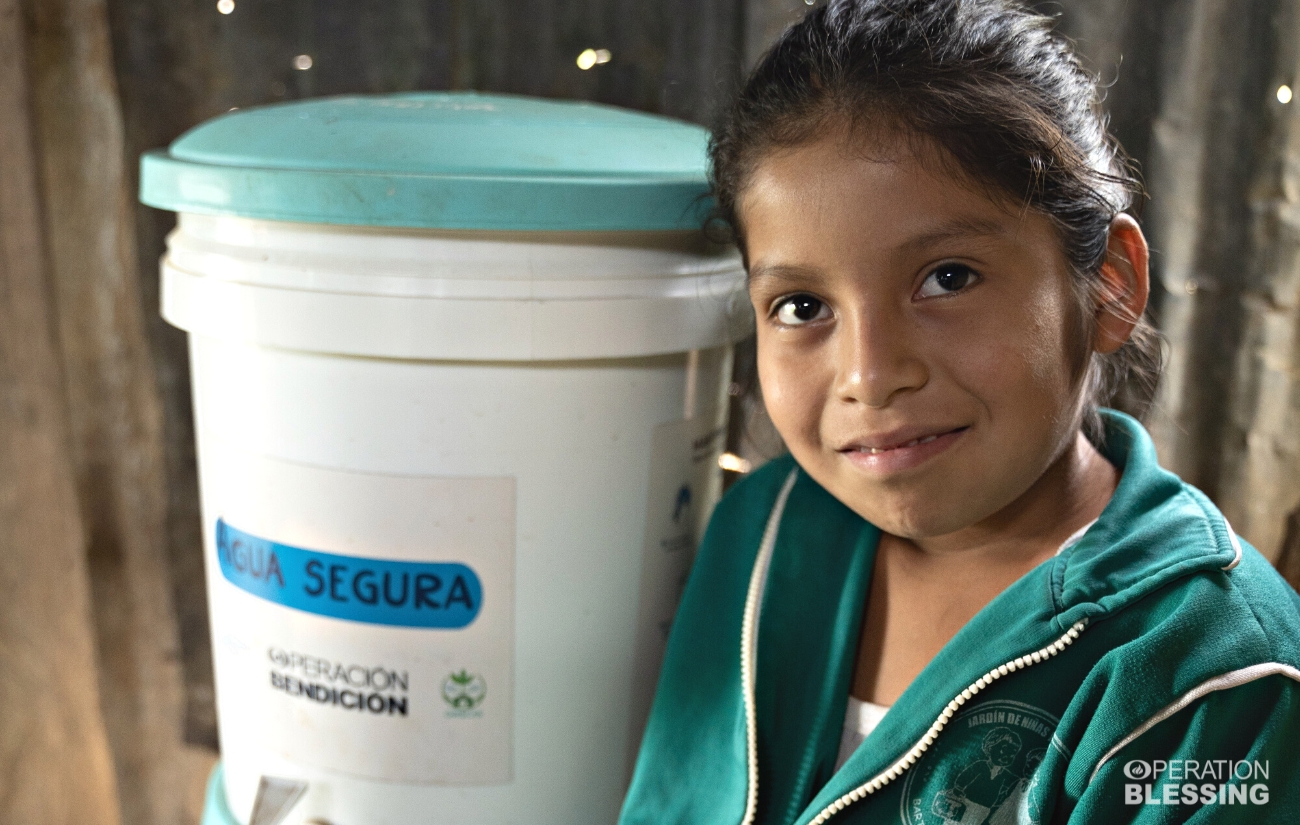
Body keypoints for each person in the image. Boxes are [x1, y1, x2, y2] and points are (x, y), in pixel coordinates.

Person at [618, 1, 1300, 823]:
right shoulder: (759, 535)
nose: (870, 376)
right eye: (802, 306)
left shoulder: (1220, 679)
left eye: (948, 278)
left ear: (1109, 284)